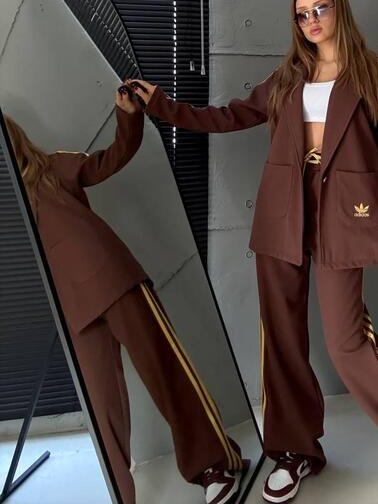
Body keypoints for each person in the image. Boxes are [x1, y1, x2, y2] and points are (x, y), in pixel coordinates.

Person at [129, 0, 378, 503]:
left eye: (320, 8)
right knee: (282, 338)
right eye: (301, 14)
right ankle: (294, 452)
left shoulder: (375, 71)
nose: (311, 20)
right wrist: (163, 106)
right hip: (283, 212)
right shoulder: (288, 75)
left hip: (346, 214)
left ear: (339, 8)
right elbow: (231, 116)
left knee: (347, 342)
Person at [4, 85, 249, 504]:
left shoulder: (52, 169)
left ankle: (213, 465)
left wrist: (128, 115)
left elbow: (114, 157)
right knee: (102, 409)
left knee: (165, 372)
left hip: (113, 279)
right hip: (72, 310)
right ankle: (122, 494)